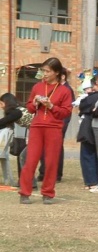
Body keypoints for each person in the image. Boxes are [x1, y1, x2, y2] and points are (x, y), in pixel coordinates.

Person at [18, 57, 73, 204]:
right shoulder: (37, 87)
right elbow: (29, 108)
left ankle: (48, 193)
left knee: (51, 162)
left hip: (54, 128)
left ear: (56, 72)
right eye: (43, 71)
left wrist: (51, 106)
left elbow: (66, 112)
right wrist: (35, 102)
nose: (45, 74)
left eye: (48, 71)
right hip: (37, 127)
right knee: (31, 160)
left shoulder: (64, 91)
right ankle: (24, 192)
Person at [76, 78, 98, 190]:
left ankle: (91, 181)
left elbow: (82, 106)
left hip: (88, 127)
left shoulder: (93, 97)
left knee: (87, 154)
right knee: (96, 155)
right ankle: (96, 180)